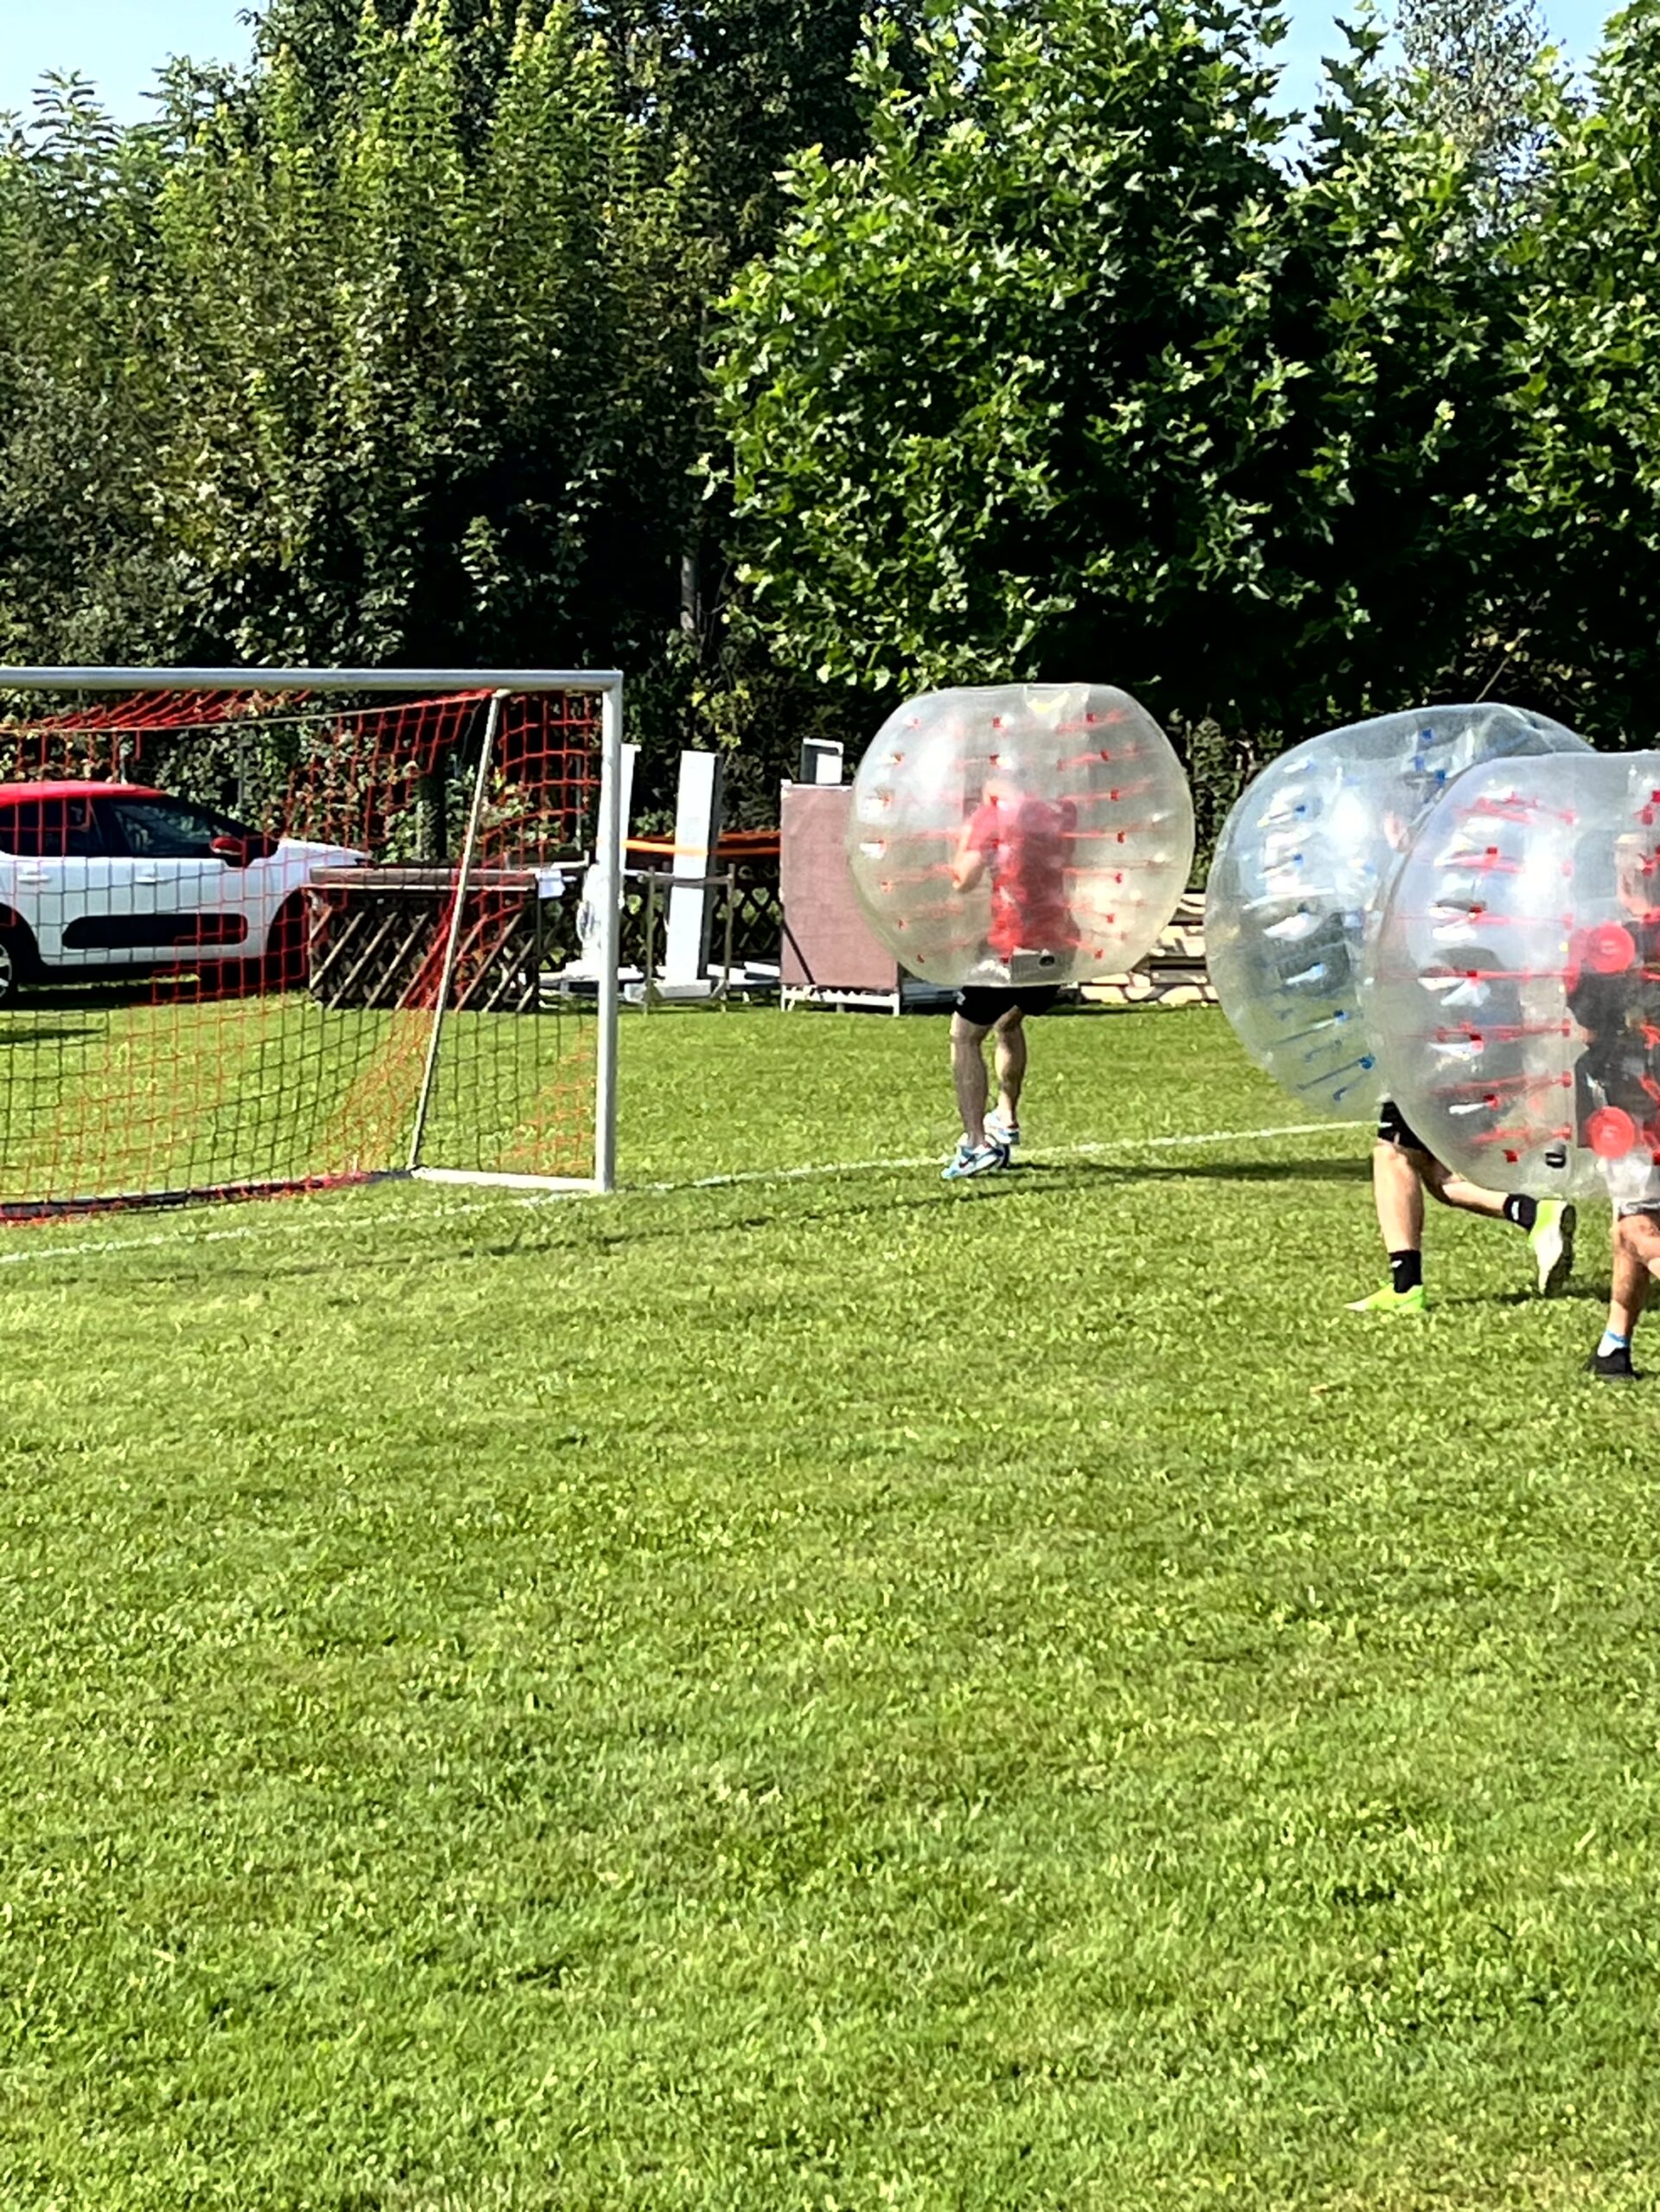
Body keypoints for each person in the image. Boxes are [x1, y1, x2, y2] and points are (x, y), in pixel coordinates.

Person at [941, 764, 1077, 1181]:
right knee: (1008, 1020)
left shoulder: (991, 818)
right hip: (1059, 947)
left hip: (1012, 947)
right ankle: (1007, 1116)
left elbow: (964, 880)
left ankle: (976, 1143)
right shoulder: (1058, 813)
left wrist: (962, 841)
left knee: (964, 1036)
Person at [1346, 1097, 1576, 1313]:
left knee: (1392, 1153)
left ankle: (1405, 1287)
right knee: (1440, 1177)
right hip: (1486, 1068)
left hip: (1438, 1068)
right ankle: (1534, 1213)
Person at [1571, 836, 1660, 1380]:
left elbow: (1586, 1029)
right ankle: (1614, 1345)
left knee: (1636, 1227)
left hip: (1635, 1104)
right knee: (1633, 1217)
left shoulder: (1612, 947)